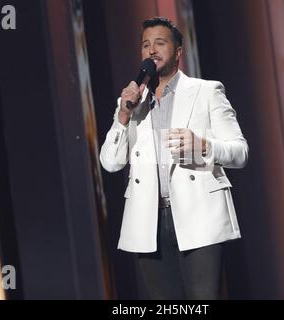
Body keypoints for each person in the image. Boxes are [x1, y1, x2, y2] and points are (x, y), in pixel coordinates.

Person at [100, 17, 248, 299]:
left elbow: (240, 152)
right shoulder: (133, 103)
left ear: (178, 52)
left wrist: (203, 144)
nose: (151, 50)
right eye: (145, 45)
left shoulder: (207, 91)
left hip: (198, 216)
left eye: (159, 43)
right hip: (148, 221)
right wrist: (123, 116)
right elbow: (110, 162)